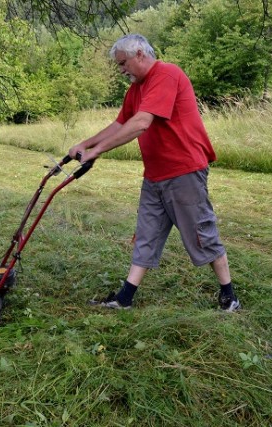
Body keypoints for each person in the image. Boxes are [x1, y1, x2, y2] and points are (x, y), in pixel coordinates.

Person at [69, 34, 240, 312]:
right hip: (155, 175)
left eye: (123, 63)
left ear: (139, 54)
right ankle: (124, 298)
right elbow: (119, 124)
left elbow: (141, 123)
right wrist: (86, 144)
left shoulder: (166, 74)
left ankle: (229, 295)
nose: (121, 70)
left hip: (184, 171)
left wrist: (97, 151)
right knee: (146, 234)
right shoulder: (135, 89)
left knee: (201, 233)